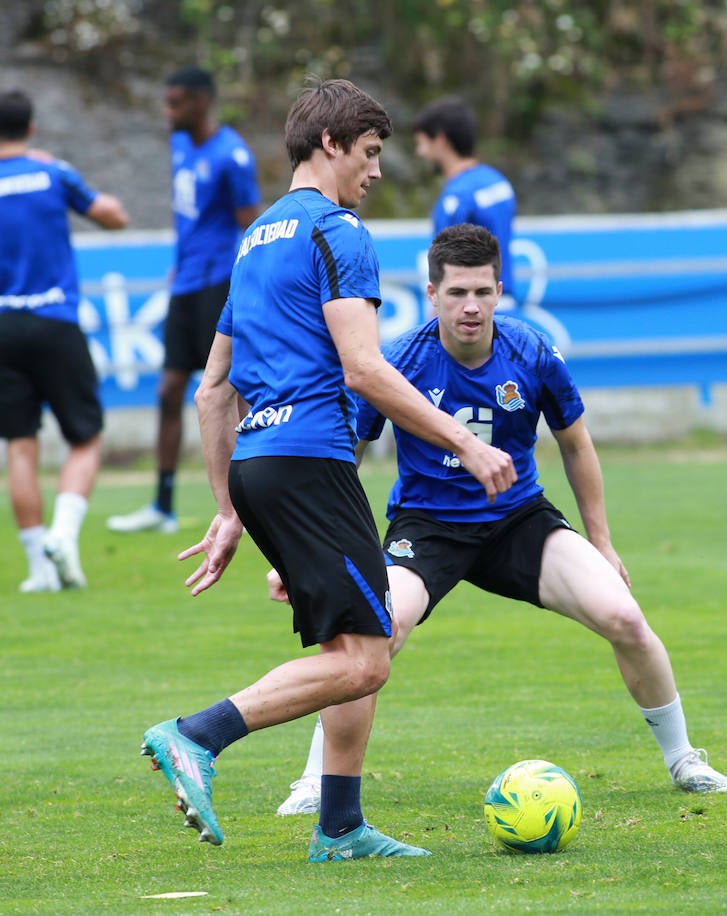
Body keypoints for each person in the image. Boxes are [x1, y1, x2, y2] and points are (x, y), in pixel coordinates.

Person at [139, 78, 517, 861]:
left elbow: (214, 392)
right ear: (332, 146)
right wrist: (468, 442)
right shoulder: (338, 232)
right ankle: (195, 735)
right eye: (370, 153)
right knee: (368, 658)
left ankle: (340, 828)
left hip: (261, 465)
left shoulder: (255, 240)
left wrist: (230, 507)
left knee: (356, 634)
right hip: (310, 460)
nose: (377, 171)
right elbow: (364, 370)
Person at [273, 223, 727, 816]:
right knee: (376, 632)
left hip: (518, 520)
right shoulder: (399, 363)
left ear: (500, 290)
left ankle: (683, 759)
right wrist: (315, 555)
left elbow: (576, 444)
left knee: (623, 614)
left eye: (484, 292)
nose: (472, 306)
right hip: (427, 527)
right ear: (432, 292)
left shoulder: (533, 352)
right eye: (458, 292)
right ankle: (317, 778)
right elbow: (347, 460)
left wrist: (602, 542)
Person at [108, 67, 261, 535]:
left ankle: (251, 502)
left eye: (175, 103)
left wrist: (248, 287)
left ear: (201, 103)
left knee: (233, 393)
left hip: (218, 285)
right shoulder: (179, 147)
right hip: (184, 285)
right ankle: (163, 504)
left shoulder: (232, 155)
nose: (167, 111)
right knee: (170, 389)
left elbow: (249, 226)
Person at [0, 89, 128, 593]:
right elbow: (114, 215)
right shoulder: (53, 173)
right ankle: (64, 535)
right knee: (85, 437)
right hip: (55, 320)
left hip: (3, 327)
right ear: (31, 127)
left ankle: (38, 569)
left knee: (20, 446)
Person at [412, 97, 518, 310]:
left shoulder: (456, 199)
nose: (420, 152)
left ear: (440, 140)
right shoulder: (498, 182)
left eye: (422, 143)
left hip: (471, 311)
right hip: (504, 303)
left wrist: (435, 329)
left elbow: (446, 270)